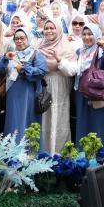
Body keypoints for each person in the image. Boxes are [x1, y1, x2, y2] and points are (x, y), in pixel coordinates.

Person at [0, 28, 47, 138]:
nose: (19, 41)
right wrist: (5, 58)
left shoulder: (35, 54)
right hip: (13, 93)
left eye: (22, 38)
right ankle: (13, 151)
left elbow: (41, 71)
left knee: (27, 121)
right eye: (16, 39)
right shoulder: (12, 54)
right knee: (13, 119)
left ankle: (28, 152)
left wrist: (23, 69)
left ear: (28, 39)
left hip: (29, 94)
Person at [74, 23, 104, 142]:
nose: (86, 37)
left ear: (97, 35)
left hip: (97, 90)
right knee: (83, 121)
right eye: (84, 34)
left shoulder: (101, 51)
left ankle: (99, 154)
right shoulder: (80, 52)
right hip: (82, 91)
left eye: (90, 34)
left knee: (97, 122)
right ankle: (82, 153)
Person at [37, 18, 76, 153]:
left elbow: (72, 71)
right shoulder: (39, 46)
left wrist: (59, 59)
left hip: (60, 87)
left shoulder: (66, 47)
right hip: (42, 87)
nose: (49, 31)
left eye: (52, 28)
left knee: (58, 119)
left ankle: (58, 154)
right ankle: (42, 153)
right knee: (43, 120)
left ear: (58, 30)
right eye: (46, 28)